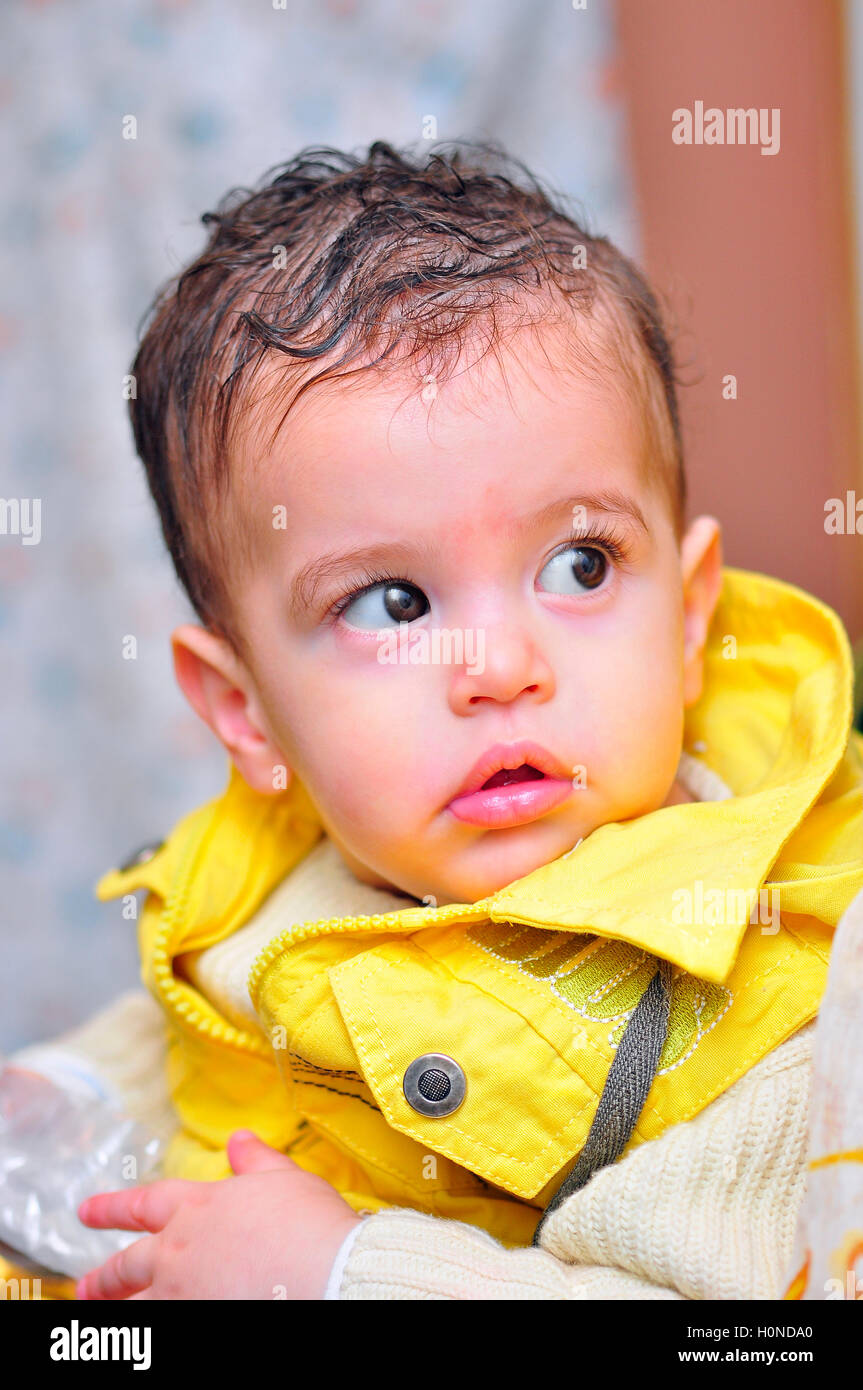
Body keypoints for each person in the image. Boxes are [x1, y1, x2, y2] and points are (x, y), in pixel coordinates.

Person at [3, 141, 862, 1300]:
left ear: (686, 616)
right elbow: (225, 1015)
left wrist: (346, 1273)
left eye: (578, 562)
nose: (497, 667)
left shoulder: (766, 994)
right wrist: (72, 1094)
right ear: (245, 712)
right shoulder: (293, 866)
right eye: (391, 602)